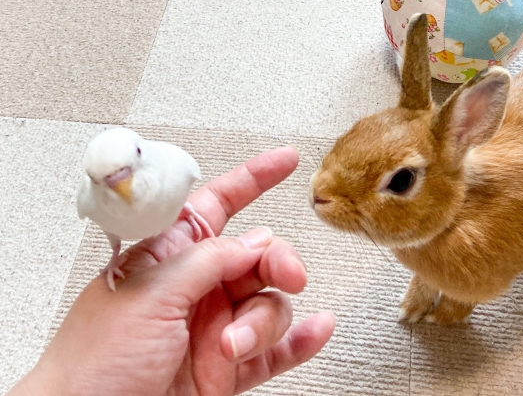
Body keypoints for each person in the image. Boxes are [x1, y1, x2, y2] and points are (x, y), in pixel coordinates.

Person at [8, 146, 335, 396]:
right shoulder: (90, 200)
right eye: (103, 182)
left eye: (127, 171)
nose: (122, 186)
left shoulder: (176, 165)